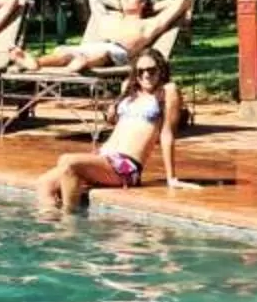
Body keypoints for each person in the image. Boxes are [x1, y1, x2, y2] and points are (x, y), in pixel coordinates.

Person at [38, 55, 187, 214]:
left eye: (151, 70)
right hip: (105, 157)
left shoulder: (168, 90)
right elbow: (122, 127)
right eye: (141, 71)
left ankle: (69, 223)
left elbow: (166, 134)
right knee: (43, 184)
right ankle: (51, 222)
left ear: (161, 70)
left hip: (126, 166)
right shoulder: (129, 91)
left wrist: (171, 178)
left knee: (67, 160)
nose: (146, 75)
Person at [27, 0, 193, 72]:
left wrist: (151, 7)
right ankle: (35, 62)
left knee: (104, 53)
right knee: (64, 51)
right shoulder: (107, 18)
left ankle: (83, 62)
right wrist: (120, 3)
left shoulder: (149, 24)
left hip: (118, 52)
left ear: (142, 0)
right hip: (89, 49)